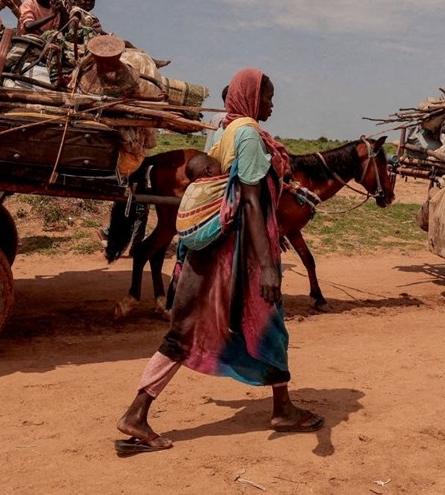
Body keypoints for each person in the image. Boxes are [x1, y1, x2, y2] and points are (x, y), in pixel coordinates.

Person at [115, 68, 323, 455]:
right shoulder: (245, 134)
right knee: (191, 333)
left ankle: (282, 407)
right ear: (249, 98)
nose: (272, 104)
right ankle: (136, 414)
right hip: (234, 256)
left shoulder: (226, 130)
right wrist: (267, 265)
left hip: (222, 250)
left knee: (263, 327)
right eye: (267, 97)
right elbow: (250, 201)